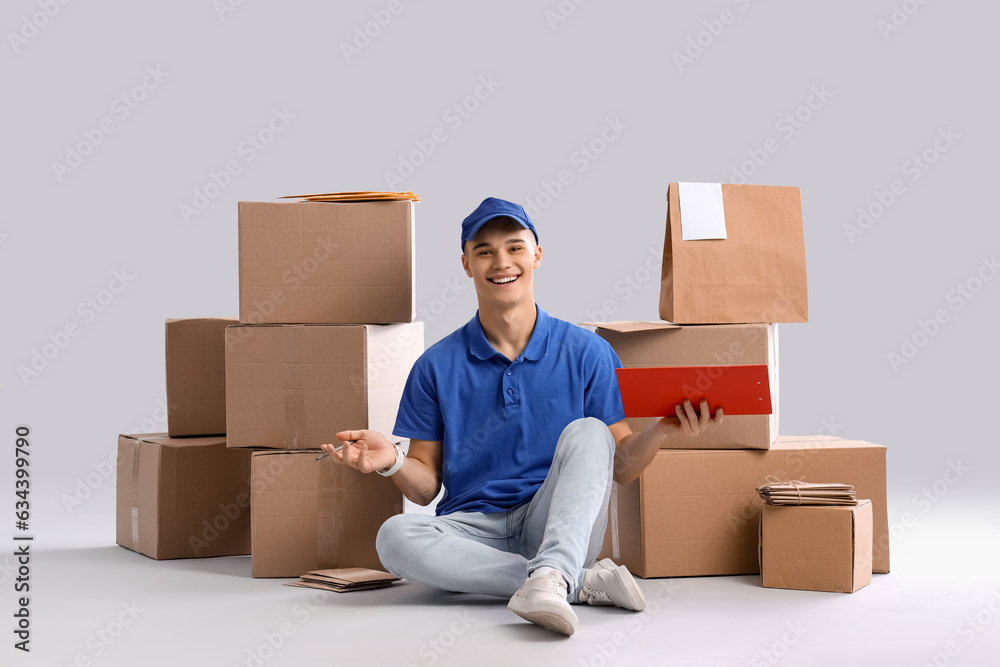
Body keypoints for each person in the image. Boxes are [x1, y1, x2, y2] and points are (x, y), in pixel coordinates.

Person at [321, 197, 721, 636]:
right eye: (485, 251)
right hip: (473, 531)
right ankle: (569, 581)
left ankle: (556, 569)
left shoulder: (587, 352)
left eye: (514, 247)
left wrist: (662, 429)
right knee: (394, 538)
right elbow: (425, 489)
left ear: (537, 255)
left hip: (559, 524)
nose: (501, 262)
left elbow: (620, 467)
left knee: (590, 431)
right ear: (466, 264)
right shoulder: (435, 366)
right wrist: (393, 461)